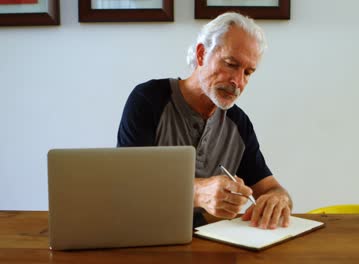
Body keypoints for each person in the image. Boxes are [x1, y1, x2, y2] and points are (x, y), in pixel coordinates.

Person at [117, 12, 292, 229]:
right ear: (201, 54)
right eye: (230, 64)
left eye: (248, 73)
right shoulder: (149, 99)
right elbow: (127, 185)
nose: (238, 82)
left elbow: (271, 188)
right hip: (143, 238)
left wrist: (278, 199)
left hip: (208, 243)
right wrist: (197, 192)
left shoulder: (238, 122)